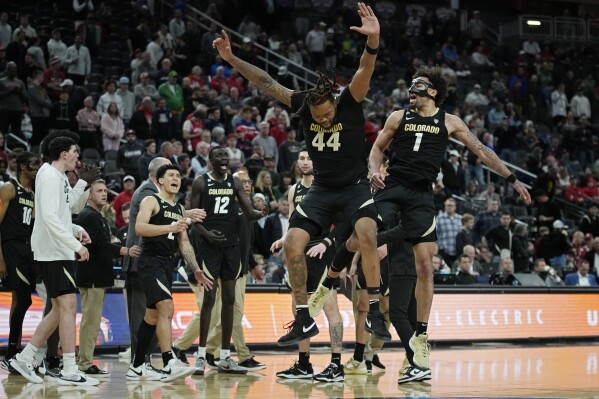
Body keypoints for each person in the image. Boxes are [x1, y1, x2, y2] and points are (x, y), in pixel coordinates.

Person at [214, 2, 389, 346]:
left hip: (354, 186)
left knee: (367, 233)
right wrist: (232, 60)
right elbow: (266, 81)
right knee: (293, 244)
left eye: (326, 116)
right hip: (323, 188)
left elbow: (365, 69)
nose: (322, 120)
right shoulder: (305, 103)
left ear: (335, 104)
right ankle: (303, 318)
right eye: (318, 117)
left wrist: (373, 42)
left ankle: (376, 314)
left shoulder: (351, 100)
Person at [368, 66, 531, 370]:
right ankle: (344, 286)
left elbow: (482, 151)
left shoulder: (450, 121)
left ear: (432, 92)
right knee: (363, 231)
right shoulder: (397, 117)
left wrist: (513, 179)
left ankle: (421, 336)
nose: (411, 88)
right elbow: (377, 148)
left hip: (420, 196)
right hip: (392, 187)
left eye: (418, 84)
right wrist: (373, 170)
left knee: (427, 267)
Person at [9, 136, 99, 385]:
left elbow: (69, 210)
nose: (77, 156)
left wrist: (84, 184)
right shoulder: (48, 175)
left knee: (61, 308)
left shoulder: (58, 176)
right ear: (63, 154)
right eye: (74, 152)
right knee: (67, 306)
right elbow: (48, 218)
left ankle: (25, 358)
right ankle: (69, 368)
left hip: (58, 249)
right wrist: (76, 245)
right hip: (52, 251)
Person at [172, 170, 266, 372]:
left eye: (248, 181)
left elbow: (244, 242)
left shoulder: (244, 209)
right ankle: (182, 347)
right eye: (241, 181)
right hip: (205, 267)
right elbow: (197, 236)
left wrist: (251, 264)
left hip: (233, 267)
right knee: (213, 310)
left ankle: (216, 353)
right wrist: (198, 268)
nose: (246, 185)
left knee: (231, 311)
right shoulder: (216, 206)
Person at [126, 164, 211, 382]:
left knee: (152, 315)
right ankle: (168, 361)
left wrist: (197, 269)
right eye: (171, 175)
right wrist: (169, 228)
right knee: (167, 307)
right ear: (161, 180)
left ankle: (136, 366)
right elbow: (140, 228)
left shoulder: (179, 208)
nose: (176, 179)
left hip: (167, 263)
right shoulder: (151, 200)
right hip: (149, 261)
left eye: (178, 176)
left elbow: (184, 243)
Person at [272, 148, 346, 382]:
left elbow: (342, 222)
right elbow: (295, 221)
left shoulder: (327, 185)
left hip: (323, 250)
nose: (305, 162)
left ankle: (336, 365)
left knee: (330, 308)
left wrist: (328, 244)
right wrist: (285, 239)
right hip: (301, 252)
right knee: (299, 309)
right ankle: (304, 364)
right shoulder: (294, 189)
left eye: (310, 158)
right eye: (302, 158)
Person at [75, 179, 142, 377]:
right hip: (92, 275)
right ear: (89, 195)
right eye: (99, 191)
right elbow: (102, 245)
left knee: (92, 321)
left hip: (96, 275)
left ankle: (84, 361)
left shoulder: (96, 215)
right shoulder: (90, 216)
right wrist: (127, 250)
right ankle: (84, 363)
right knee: (91, 321)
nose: (104, 194)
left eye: (105, 191)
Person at [0, 152, 40, 369]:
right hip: (11, 248)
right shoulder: (9, 187)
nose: (36, 168)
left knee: (20, 300)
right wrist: (1, 259)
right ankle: (11, 352)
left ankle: (13, 352)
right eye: (33, 164)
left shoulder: (32, 193)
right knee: (24, 300)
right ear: (22, 166)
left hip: (28, 249)